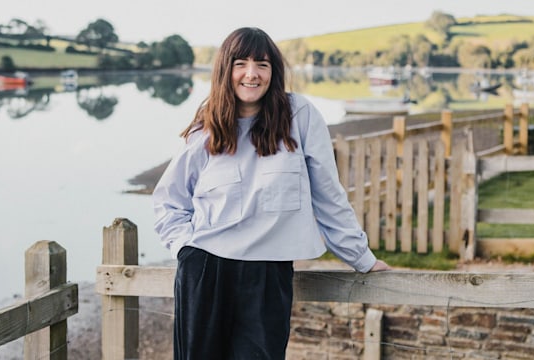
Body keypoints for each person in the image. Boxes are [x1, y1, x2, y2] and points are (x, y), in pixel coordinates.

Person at [152, 27, 390, 360]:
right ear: (225, 70)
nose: (252, 74)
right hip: (206, 271)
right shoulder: (206, 128)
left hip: (268, 275)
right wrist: (185, 250)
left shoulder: (299, 116)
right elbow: (168, 202)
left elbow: (328, 194)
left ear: (273, 71)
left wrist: (361, 257)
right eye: (241, 63)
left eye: (262, 64)